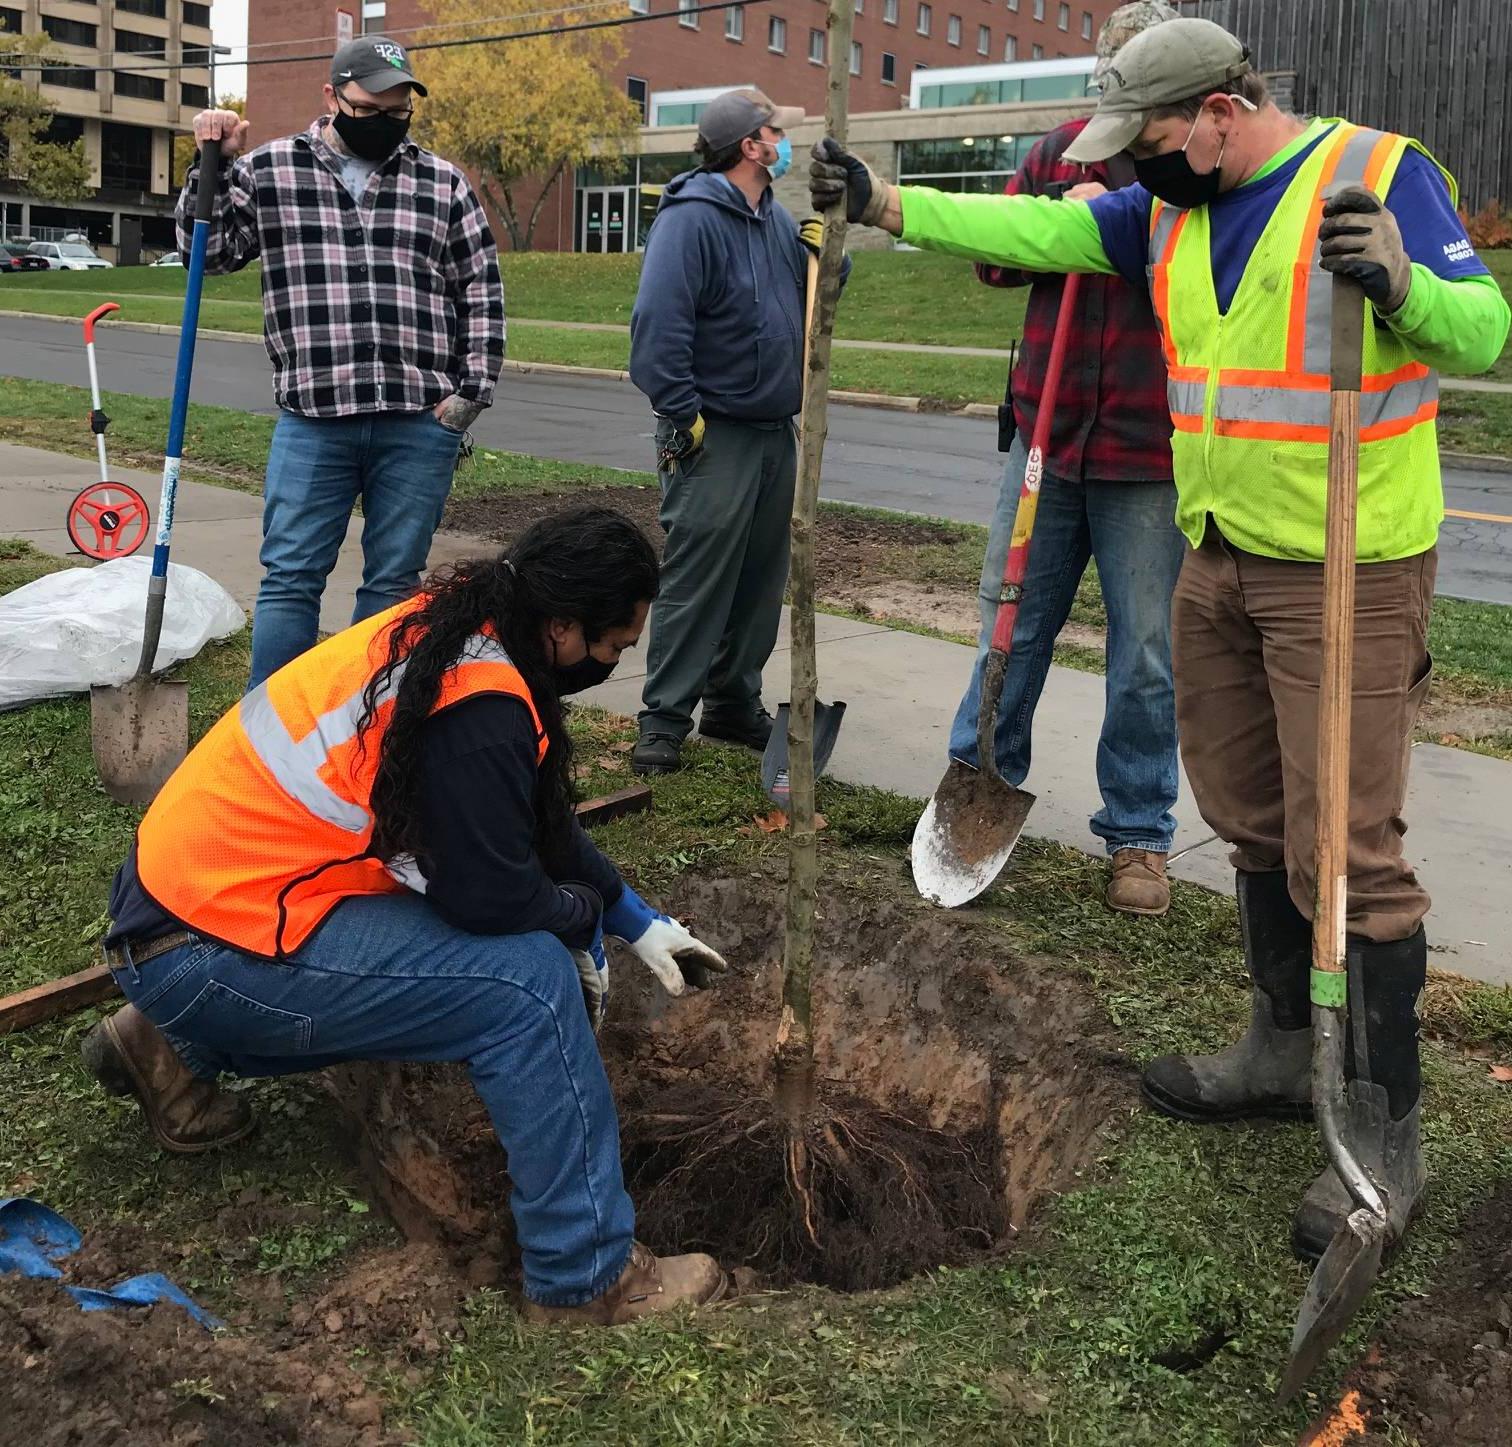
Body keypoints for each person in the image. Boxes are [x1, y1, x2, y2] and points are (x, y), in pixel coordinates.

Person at [809, 18, 1510, 1259]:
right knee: (1247, 812)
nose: (1132, 167)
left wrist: (1402, 283)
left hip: (1345, 563)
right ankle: (1282, 1048)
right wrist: (885, 202)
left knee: (1347, 849)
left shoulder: (1379, 170)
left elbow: (1484, 331)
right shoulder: (1163, 214)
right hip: (1220, 550)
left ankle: (1384, 1137)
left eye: (1150, 141)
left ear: (1222, 113)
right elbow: (1032, 232)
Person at [82, 508, 731, 1325]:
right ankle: (588, 1275)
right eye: (613, 648)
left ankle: (167, 1045)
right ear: (563, 627)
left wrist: (631, 917)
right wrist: (573, 922)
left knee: (466, 941)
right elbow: (486, 898)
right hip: (209, 943)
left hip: (184, 913)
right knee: (525, 988)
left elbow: (536, 818)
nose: (612, 663)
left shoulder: (462, 631)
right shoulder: (481, 704)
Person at [950, 1, 1185, 916]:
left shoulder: (1193, 173)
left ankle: (1138, 834)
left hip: (1147, 447)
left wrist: (1117, 232)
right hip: (1044, 440)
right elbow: (992, 262)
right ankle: (975, 782)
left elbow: (1204, 274)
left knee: (1146, 653)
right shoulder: (1062, 150)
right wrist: (1059, 214)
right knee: (1008, 624)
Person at [182, 35, 506, 691]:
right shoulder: (268, 171)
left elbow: (481, 288)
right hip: (314, 420)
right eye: (370, 109)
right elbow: (208, 255)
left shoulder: (441, 182)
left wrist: (466, 399)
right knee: (292, 576)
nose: (386, 123)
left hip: (417, 424)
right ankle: (270, 728)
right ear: (332, 97)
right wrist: (211, 164)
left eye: (399, 112)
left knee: (393, 581)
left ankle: (364, 718)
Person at [628, 88, 847, 775]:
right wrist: (680, 408)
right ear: (751, 145)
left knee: (759, 577)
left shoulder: (773, 220)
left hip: (772, 431)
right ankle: (664, 719)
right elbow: (657, 326)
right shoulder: (692, 219)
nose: (785, 143)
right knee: (700, 575)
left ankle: (730, 700)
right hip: (713, 429)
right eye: (777, 132)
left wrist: (829, 260)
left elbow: (806, 302)